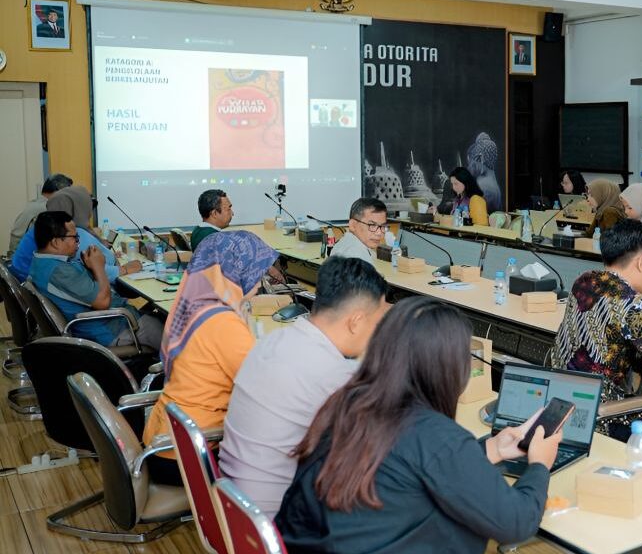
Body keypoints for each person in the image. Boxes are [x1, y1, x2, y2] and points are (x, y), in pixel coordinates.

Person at [276, 297, 561, 554]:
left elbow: (410, 465)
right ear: (447, 368)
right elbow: (516, 522)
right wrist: (539, 465)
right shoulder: (436, 436)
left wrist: (490, 449)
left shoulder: (348, 403)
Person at [221, 257, 389, 515]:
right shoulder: (333, 374)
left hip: (233, 504)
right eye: (377, 322)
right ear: (355, 321)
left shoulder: (272, 339)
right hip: (274, 520)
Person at [141, 231, 279, 486]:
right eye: (255, 271)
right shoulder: (223, 323)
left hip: (164, 438)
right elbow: (266, 390)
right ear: (233, 270)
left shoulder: (197, 304)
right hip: (189, 453)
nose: (260, 282)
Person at [552, 219, 642, 404]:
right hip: (598, 413)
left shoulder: (585, 280)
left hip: (557, 396)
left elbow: (616, 339)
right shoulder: (632, 304)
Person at [28, 211, 161, 348]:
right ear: (55, 242)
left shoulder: (41, 262)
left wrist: (89, 267)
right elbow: (103, 301)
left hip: (110, 321)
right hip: (111, 330)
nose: (78, 243)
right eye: (75, 238)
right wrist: (98, 266)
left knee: (160, 315)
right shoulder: (59, 272)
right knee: (174, 333)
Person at [10, 189, 138, 282]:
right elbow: (95, 269)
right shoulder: (70, 236)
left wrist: (107, 255)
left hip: (23, 277)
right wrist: (124, 268)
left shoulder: (46, 225)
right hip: (31, 279)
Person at [9, 173, 72, 254]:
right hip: (27, 260)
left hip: (15, 257)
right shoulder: (48, 209)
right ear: (60, 192)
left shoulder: (34, 204)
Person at [330, 197, 387, 264]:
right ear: (353, 225)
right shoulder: (356, 254)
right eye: (372, 225)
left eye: (382, 226)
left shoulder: (346, 243)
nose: (379, 233)